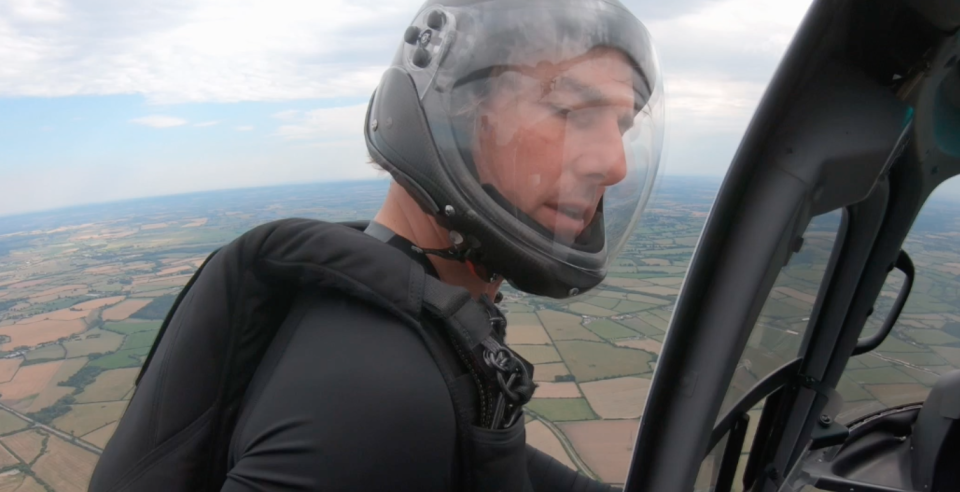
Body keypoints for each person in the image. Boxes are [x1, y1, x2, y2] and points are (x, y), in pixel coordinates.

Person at [89, 0, 664, 490]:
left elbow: (482, 455)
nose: (613, 163)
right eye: (571, 112)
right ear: (455, 116)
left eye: (624, 126)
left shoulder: (387, 302)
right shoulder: (377, 397)